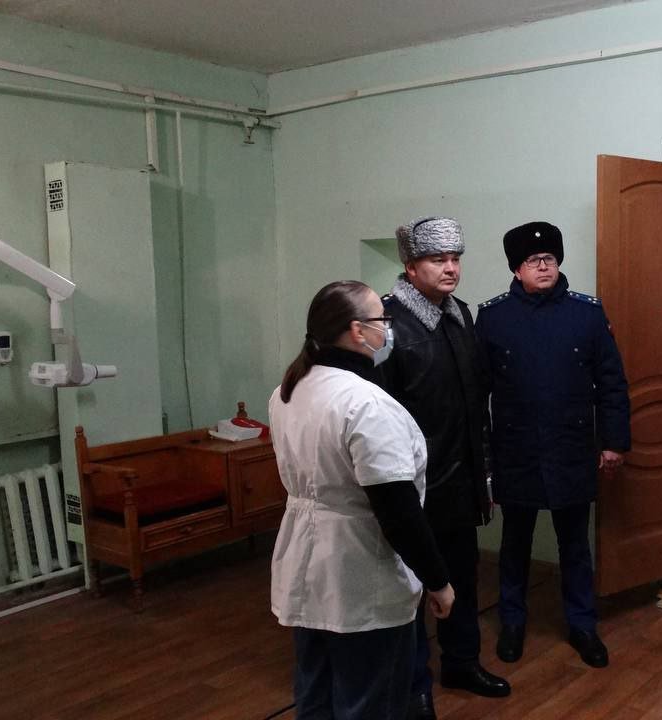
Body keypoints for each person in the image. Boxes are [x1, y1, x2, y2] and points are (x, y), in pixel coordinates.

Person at [268, 280, 455, 720]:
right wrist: (438, 581)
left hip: (306, 569)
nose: (387, 328)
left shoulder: (288, 391)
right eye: (382, 320)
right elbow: (398, 512)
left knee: (315, 695)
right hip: (359, 574)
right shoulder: (367, 404)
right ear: (357, 331)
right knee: (369, 701)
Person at [475, 221, 631, 669]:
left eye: (549, 259)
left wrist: (613, 442)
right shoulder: (493, 317)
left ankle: (583, 625)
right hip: (516, 449)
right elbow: (478, 393)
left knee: (575, 546)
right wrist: (484, 458)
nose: (543, 266)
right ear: (516, 269)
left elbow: (612, 383)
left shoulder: (587, 314)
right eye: (532, 261)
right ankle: (512, 622)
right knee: (514, 545)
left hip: (571, 448)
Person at [377, 217, 510, 719]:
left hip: (461, 479)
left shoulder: (459, 315)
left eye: (455, 258)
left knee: (463, 579)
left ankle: (461, 662)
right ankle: (413, 685)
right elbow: (380, 414)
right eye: (438, 259)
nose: (451, 268)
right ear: (411, 267)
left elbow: (474, 402)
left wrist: (484, 470)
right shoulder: (387, 324)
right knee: (409, 588)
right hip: (413, 485)